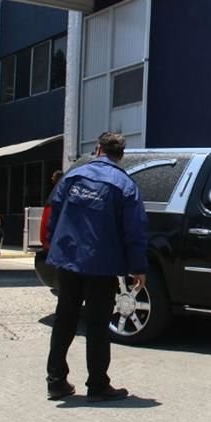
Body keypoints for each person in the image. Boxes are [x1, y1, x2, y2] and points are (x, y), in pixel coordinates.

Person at [44, 132, 148, 402]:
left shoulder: (73, 176)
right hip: (102, 264)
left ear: (98, 149)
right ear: (121, 155)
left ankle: (56, 382)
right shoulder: (125, 185)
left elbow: (55, 210)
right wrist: (138, 266)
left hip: (69, 261)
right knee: (98, 324)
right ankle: (98, 385)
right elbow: (134, 229)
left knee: (65, 319)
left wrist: (55, 248)